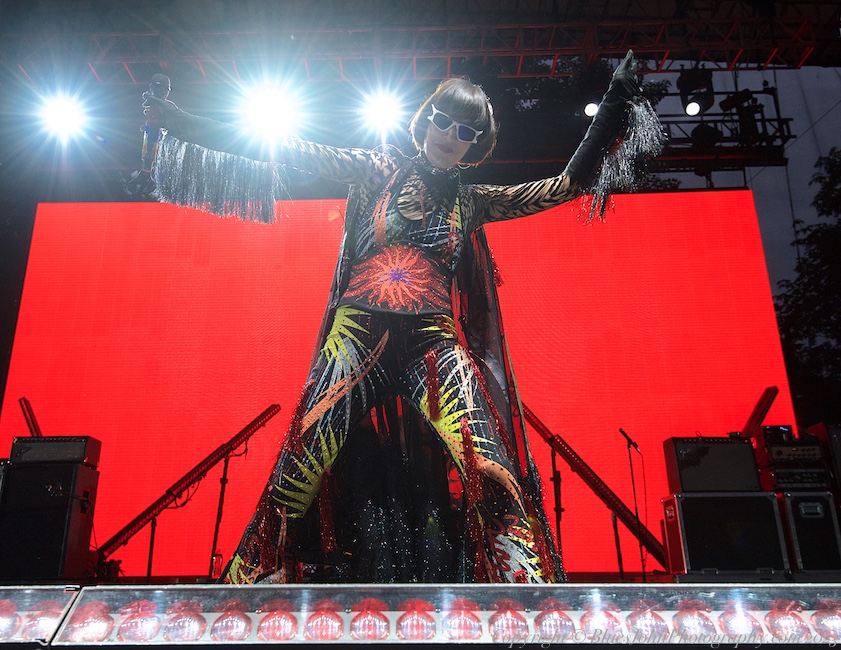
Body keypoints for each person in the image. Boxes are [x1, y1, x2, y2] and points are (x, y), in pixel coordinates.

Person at [144, 50, 663, 584]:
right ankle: (242, 598)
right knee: (295, 477)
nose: (447, 133)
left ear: (474, 145)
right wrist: (181, 122)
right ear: (424, 121)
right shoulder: (374, 169)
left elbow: (565, 186)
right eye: (440, 119)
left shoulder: (475, 200)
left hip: (432, 351)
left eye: (463, 129)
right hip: (354, 343)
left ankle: (531, 603)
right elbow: (283, 148)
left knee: (493, 472)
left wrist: (610, 114)